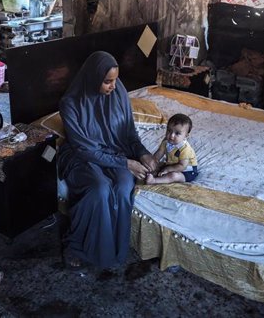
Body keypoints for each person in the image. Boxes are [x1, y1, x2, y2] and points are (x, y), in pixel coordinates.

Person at [57, 51, 158, 269]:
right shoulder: (70, 104)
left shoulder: (118, 91)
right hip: (81, 156)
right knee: (99, 188)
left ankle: (112, 250)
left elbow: (129, 132)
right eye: (107, 81)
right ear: (93, 78)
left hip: (114, 151)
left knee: (123, 186)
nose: (113, 86)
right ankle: (76, 246)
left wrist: (142, 153)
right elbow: (84, 149)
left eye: (115, 80)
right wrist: (125, 163)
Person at [145, 113, 198, 184]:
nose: (171, 136)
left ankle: (154, 181)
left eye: (177, 133)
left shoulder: (185, 149)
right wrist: (153, 162)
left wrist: (168, 169)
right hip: (172, 164)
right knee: (157, 166)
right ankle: (150, 175)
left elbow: (182, 166)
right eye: (169, 130)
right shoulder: (166, 142)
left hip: (187, 171)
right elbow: (159, 153)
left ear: (186, 136)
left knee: (173, 176)